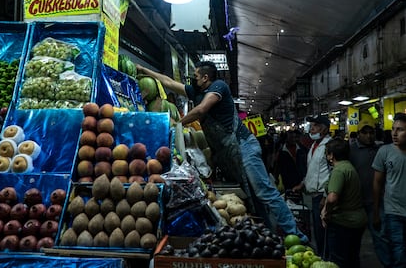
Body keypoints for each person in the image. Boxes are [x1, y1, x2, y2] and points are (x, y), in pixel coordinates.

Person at [136, 61, 308, 243]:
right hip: (230, 152)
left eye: (195, 76)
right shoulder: (197, 91)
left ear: (205, 77)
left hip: (244, 146)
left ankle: (297, 235)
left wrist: (178, 124)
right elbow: (168, 82)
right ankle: (269, 235)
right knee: (253, 196)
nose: (193, 80)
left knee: (264, 191)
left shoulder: (219, 87)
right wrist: (144, 69)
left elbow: (202, 109)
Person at [349, 119, 390, 267]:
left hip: (376, 203)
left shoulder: (381, 150)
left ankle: (388, 265)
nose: (368, 136)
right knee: (353, 242)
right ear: (358, 134)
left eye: (371, 132)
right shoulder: (351, 150)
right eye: (364, 132)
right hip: (356, 204)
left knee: (381, 239)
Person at [321, 138, 367, 268]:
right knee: (352, 259)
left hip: (343, 222)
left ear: (331, 155)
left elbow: (332, 198)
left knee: (338, 261)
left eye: (327, 153)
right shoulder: (349, 167)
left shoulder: (339, 170)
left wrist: (326, 212)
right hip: (357, 221)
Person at [293, 115, 331, 256]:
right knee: (318, 232)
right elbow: (314, 171)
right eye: (312, 125)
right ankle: (322, 257)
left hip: (322, 197)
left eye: (315, 125)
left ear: (324, 129)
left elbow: (333, 173)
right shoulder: (314, 146)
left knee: (323, 234)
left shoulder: (329, 146)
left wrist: (325, 197)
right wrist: (303, 183)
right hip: (314, 196)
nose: (311, 128)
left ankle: (326, 260)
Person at [372, 112, 406, 268]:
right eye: (393, 129)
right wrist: (376, 212)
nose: (394, 133)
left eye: (400, 130)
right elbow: (377, 183)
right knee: (398, 252)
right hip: (394, 211)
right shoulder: (384, 152)